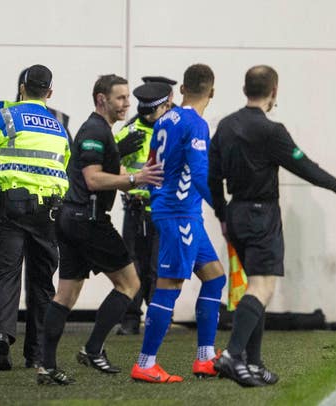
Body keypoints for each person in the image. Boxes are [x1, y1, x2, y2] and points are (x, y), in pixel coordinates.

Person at [208, 65, 336, 387]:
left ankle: (253, 364)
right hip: (261, 216)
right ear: (274, 91)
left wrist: (222, 216)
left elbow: (212, 176)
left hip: (237, 213)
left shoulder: (226, 126)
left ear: (245, 89)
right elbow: (306, 167)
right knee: (262, 288)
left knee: (257, 288)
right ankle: (232, 354)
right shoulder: (272, 131)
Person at [37, 74, 164, 385]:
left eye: (126, 98)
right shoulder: (94, 129)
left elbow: (115, 174)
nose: (127, 104)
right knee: (130, 284)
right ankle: (93, 349)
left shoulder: (104, 131)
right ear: (101, 99)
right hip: (88, 221)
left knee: (66, 294)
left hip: (73, 219)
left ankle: (47, 367)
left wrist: (136, 181)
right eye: (120, 98)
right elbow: (94, 179)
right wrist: (136, 179)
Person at [0, 64, 70, 371]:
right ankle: (35, 354)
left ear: (22, 88)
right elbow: (67, 168)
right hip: (49, 211)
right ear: (49, 93)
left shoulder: (5, 117)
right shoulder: (58, 126)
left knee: (6, 277)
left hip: (11, 208)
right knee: (42, 284)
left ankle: (1, 339)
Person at [130, 64, 226, 383]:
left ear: (181, 89)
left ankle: (205, 358)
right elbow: (199, 175)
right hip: (179, 215)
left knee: (214, 278)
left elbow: (152, 165)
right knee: (168, 286)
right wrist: (225, 212)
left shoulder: (165, 119)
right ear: (211, 93)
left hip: (180, 212)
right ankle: (145, 363)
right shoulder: (196, 124)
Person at [113, 76, 177, 335]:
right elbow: (109, 165)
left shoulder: (174, 129)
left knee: (158, 266)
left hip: (163, 210)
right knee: (132, 264)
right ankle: (130, 318)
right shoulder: (129, 132)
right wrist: (117, 150)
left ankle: (158, 316)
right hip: (135, 209)